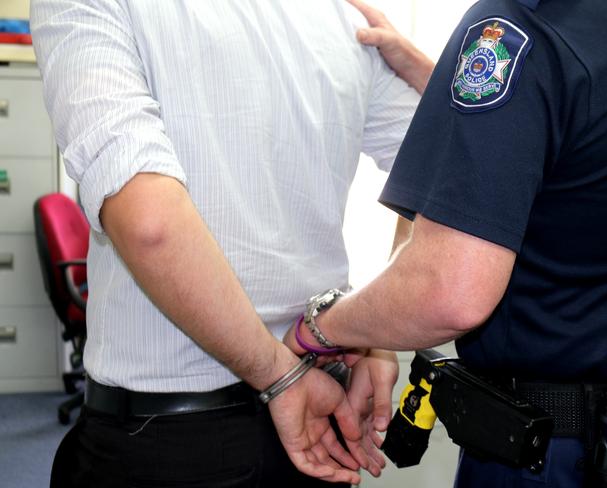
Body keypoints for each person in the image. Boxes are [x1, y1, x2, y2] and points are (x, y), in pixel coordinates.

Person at [30, 0, 428, 486]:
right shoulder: (342, 18)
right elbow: (437, 177)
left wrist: (282, 373)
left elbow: (149, 224)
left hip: (169, 442)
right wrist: (375, 336)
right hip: (320, 417)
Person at [285, 0, 607, 487]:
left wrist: (323, 328)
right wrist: (445, 83)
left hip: (547, 455)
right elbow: (595, 147)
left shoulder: (518, 28)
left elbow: (450, 292)